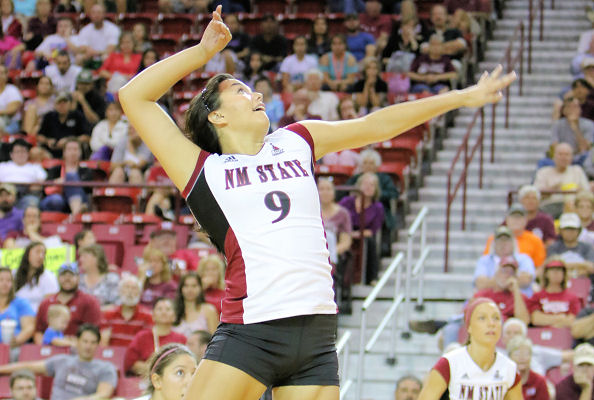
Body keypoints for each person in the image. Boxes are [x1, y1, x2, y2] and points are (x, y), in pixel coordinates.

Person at [117, 5, 515, 398]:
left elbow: (376, 125)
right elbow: (134, 96)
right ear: (217, 118)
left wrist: (460, 97)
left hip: (317, 335)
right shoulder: (202, 169)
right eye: (240, 91)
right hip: (251, 331)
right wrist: (202, 53)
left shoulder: (297, 139)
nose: (255, 93)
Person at [417, 298, 523, 400]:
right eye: (482, 318)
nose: (491, 323)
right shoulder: (449, 363)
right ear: (469, 326)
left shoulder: (510, 369)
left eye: (496, 318)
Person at [0, 324, 118, 400]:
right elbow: (27, 366)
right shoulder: (62, 361)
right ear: (77, 342)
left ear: (98, 345)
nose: (88, 346)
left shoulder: (105, 368)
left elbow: (104, 394)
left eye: (93, 342)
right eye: (85, 341)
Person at [34, 263, 101, 344]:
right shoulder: (46, 303)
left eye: (71, 275)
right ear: (58, 278)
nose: (67, 278)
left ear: (78, 278)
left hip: (77, 351)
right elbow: (38, 331)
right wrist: (43, 348)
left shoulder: (89, 302)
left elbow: (93, 332)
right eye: (63, 275)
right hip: (49, 349)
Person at [339, 172, 384, 285]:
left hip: (364, 235)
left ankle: (371, 277)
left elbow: (372, 231)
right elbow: (338, 218)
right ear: (358, 186)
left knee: (370, 242)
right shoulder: (347, 201)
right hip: (345, 232)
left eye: (372, 185)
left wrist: (355, 234)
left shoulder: (377, 207)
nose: (368, 187)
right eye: (365, 184)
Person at [124, 297, 187, 376]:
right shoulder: (142, 337)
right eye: (159, 309)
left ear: (174, 317)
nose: (164, 312)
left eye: (168, 309)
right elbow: (130, 363)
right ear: (153, 316)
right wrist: (155, 370)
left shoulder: (181, 339)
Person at [318, 178, 353, 312]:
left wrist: (330, 253)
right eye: (322, 189)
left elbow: (346, 241)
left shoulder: (343, 214)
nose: (325, 192)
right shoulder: (311, 211)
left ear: (333, 192)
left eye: (328, 189)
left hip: (332, 256)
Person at [474, 226, 535, 297]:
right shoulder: (484, 260)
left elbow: (526, 280)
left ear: (513, 242)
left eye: (507, 240)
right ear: (494, 243)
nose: (503, 243)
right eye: (500, 240)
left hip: (519, 300)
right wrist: (512, 281)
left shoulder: (524, 258)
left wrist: (496, 281)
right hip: (492, 300)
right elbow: (481, 284)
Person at [39, 137, 94, 214]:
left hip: (81, 199)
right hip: (58, 199)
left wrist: (67, 181)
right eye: (69, 149)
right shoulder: (55, 169)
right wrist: (56, 182)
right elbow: (45, 188)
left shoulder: (86, 171)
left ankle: (76, 211)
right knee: (56, 200)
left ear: (81, 152)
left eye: (75, 149)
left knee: (71, 177)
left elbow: (88, 190)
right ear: (64, 152)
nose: (72, 152)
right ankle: (76, 213)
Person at [483, 203, 546, 269]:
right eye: (513, 217)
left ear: (526, 220)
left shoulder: (535, 240)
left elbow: (540, 266)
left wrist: (528, 275)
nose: (516, 220)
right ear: (507, 219)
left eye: (519, 217)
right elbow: (487, 262)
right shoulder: (494, 238)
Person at [100, 273, 153, 347]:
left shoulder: (147, 316)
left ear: (140, 293)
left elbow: (147, 344)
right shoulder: (109, 314)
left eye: (134, 288)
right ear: (120, 291)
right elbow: (103, 343)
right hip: (113, 355)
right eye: (127, 287)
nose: (130, 292)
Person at [528, 257, 582, 328]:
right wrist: (560, 318)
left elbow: (571, 321)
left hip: (565, 335)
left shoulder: (572, 297)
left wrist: (547, 319)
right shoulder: (537, 296)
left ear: (564, 274)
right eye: (552, 269)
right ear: (546, 273)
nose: (556, 272)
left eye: (560, 269)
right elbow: (536, 319)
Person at [37, 92, 90, 158]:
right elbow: (39, 136)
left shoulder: (78, 116)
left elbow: (86, 137)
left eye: (65, 103)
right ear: (55, 105)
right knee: (36, 152)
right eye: (59, 103)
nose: (62, 105)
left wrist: (69, 141)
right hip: (50, 151)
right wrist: (47, 141)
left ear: (70, 104)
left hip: (71, 150)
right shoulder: (48, 116)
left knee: (73, 149)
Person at [14, 241, 59, 312]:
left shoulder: (48, 277)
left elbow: (50, 303)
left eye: (43, 253)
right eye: (37, 252)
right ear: (27, 254)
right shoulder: (14, 274)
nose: (41, 256)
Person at [0, 139, 47, 207]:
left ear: (28, 154)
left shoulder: (36, 167)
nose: (20, 154)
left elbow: (40, 183)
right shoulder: (2, 166)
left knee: (32, 201)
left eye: (23, 151)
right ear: (11, 154)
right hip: (4, 194)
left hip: (27, 195)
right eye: (17, 151)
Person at [547, 212, 594, 278]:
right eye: (566, 229)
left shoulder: (587, 247)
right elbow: (552, 267)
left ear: (579, 230)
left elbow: (591, 268)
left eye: (573, 229)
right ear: (561, 230)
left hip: (584, 284)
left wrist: (564, 266)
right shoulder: (554, 247)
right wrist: (583, 265)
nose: (569, 232)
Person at [77, 3, 121, 68]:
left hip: (104, 55)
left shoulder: (113, 29)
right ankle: (83, 76)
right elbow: (82, 47)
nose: (96, 15)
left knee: (106, 57)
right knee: (79, 57)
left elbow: (111, 49)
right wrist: (89, 51)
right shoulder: (85, 30)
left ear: (104, 14)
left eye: (99, 13)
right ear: (90, 15)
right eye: (93, 13)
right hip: (90, 56)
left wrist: (96, 52)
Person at [0, 267, 35, 347]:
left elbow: (29, 328)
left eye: (8, 280)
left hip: (15, 348)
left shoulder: (21, 303)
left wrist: (16, 340)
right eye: (1, 280)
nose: (5, 283)